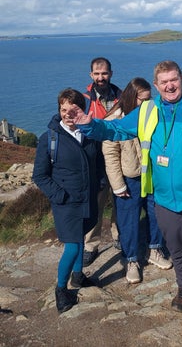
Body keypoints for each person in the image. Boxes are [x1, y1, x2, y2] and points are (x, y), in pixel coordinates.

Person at [69, 60, 182, 341]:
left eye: (173, 79)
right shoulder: (146, 111)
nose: (169, 85)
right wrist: (90, 125)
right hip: (163, 200)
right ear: (156, 86)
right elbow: (115, 131)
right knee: (176, 250)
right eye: (163, 82)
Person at [32, 88, 102, 314]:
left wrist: (100, 184)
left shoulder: (89, 133)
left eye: (74, 109)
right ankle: (61, 290)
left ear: (82, 109)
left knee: (81, 237)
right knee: (72, 245)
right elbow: (39, 175)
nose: (68, 114)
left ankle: (78, 276)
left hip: (87, 198)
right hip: (66, 203)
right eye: (64, 109)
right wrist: (59, 196)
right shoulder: (49, 139)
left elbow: (97, 163)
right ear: (58, 110)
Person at [102, 77, 173, 284]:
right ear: (133, 98)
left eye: (150, 98)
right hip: (128, 178)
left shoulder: (151, 115)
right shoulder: (114, 121)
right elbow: (110, 155)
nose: (149, 103)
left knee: (156, 214)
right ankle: (131, 260)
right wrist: (117, 185)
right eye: (144, 99)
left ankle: (154, 250)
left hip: (151, 174)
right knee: (129, 221)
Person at [82, 57, 122, 267]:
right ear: (91, 75)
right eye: (97, 74)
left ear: (111, 73)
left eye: (104, 73)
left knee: (120, 199)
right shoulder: (85, 99)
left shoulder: (122, 96)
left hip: (118, 156)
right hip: (95, 159)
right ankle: (91, 245)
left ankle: (118, 236)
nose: (101, 78)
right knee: (95, 203)